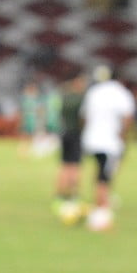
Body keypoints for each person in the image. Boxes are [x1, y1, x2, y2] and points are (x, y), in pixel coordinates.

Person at [81, 66, 136, 232]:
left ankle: (98, 205)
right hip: (110, 141)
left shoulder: (94, 92)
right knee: (106, 176)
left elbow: (84, 116)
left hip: (92, 139)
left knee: (99, 173)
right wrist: (122, 135)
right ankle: (101, 212)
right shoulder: (120, 93)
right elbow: (127, 116)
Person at [52, 73, 87, 217]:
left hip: (64, 133)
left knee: (64, 164)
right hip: (75, 134)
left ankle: (60, 194)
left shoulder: (64, 96)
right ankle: (73, 195)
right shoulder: (80, 99)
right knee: (75, 165)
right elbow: (83, 118)